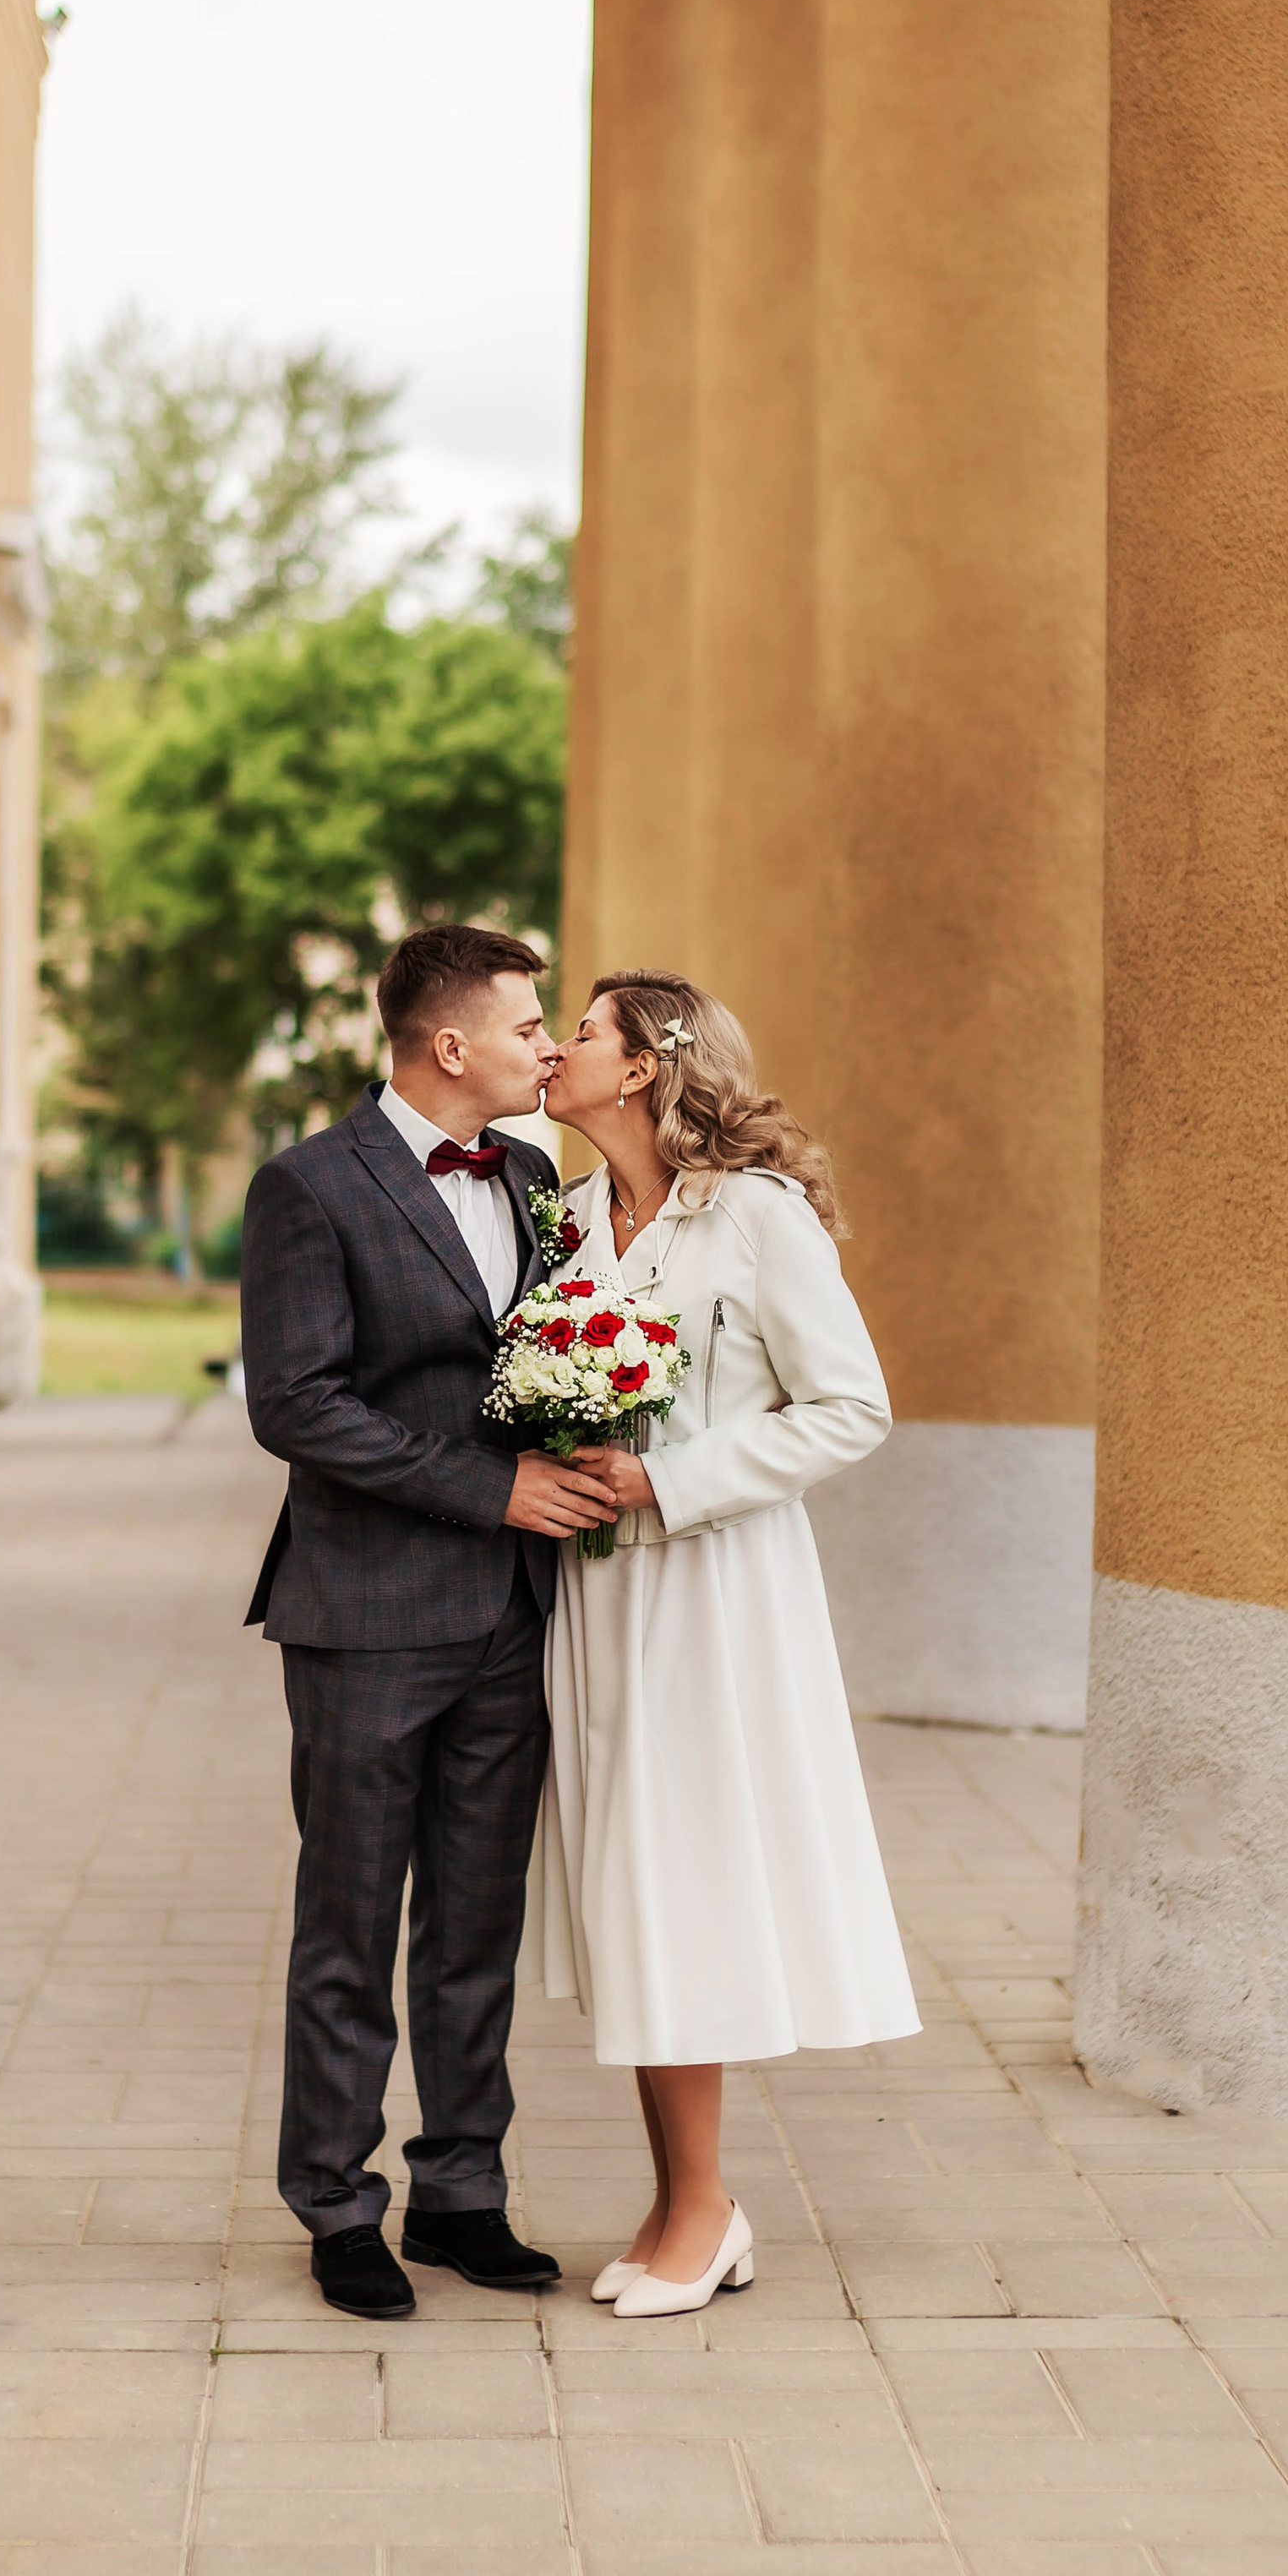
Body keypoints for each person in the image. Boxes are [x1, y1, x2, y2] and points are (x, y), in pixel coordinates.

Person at [239, 924, 617, 2320]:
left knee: (475, 1924)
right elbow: (298, 1404)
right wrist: (494, 1490)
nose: (549, 1047)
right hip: (365, 1613)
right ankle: (337, 2206)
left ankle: (464, 2192)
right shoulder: (308, 1187)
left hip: (513, 1618)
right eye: (531, 1027)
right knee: (349, 1920)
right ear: (449, 1045)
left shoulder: (532, 1174)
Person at [536, 967, 920, 2318]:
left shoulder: (753, 1218)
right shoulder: (567, 1218)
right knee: (635, 1891)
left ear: (642, 1065)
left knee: (684, 1882)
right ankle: (685, 2199)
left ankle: (703, 2206)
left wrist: (670, 1480)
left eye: (578, 1032)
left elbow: (850, 1408)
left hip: (715, 1595)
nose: (555, 1050)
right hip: (597, 1601)